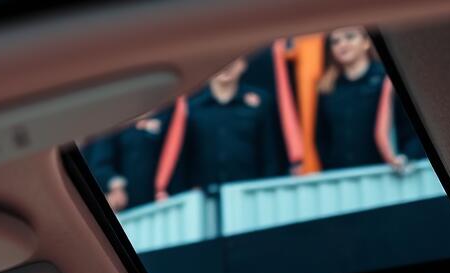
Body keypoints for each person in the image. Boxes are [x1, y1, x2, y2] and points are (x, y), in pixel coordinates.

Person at [173, 57, 288, 192]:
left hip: (252, 192)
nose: (225, 65)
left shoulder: (260, 103)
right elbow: (183, 159)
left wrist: (269, 190)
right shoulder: (191, 109)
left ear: (243, 64)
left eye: (232, 59)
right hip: (206, 196)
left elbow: (271, 153)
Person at [314, 27, 391, 170]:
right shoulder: (327, 87)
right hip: (343, 176)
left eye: (349, 37)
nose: (342, 44)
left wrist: (404, 156)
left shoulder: (385, 79)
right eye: (335, 41)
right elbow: (321, 136)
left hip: (387, 170)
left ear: (366, 42)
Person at [84, 108, 175, 211]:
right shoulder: (115, 120)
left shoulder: (174, 112)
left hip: (173, 198)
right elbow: (101, 164)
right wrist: (116, 186)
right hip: (132, 205)